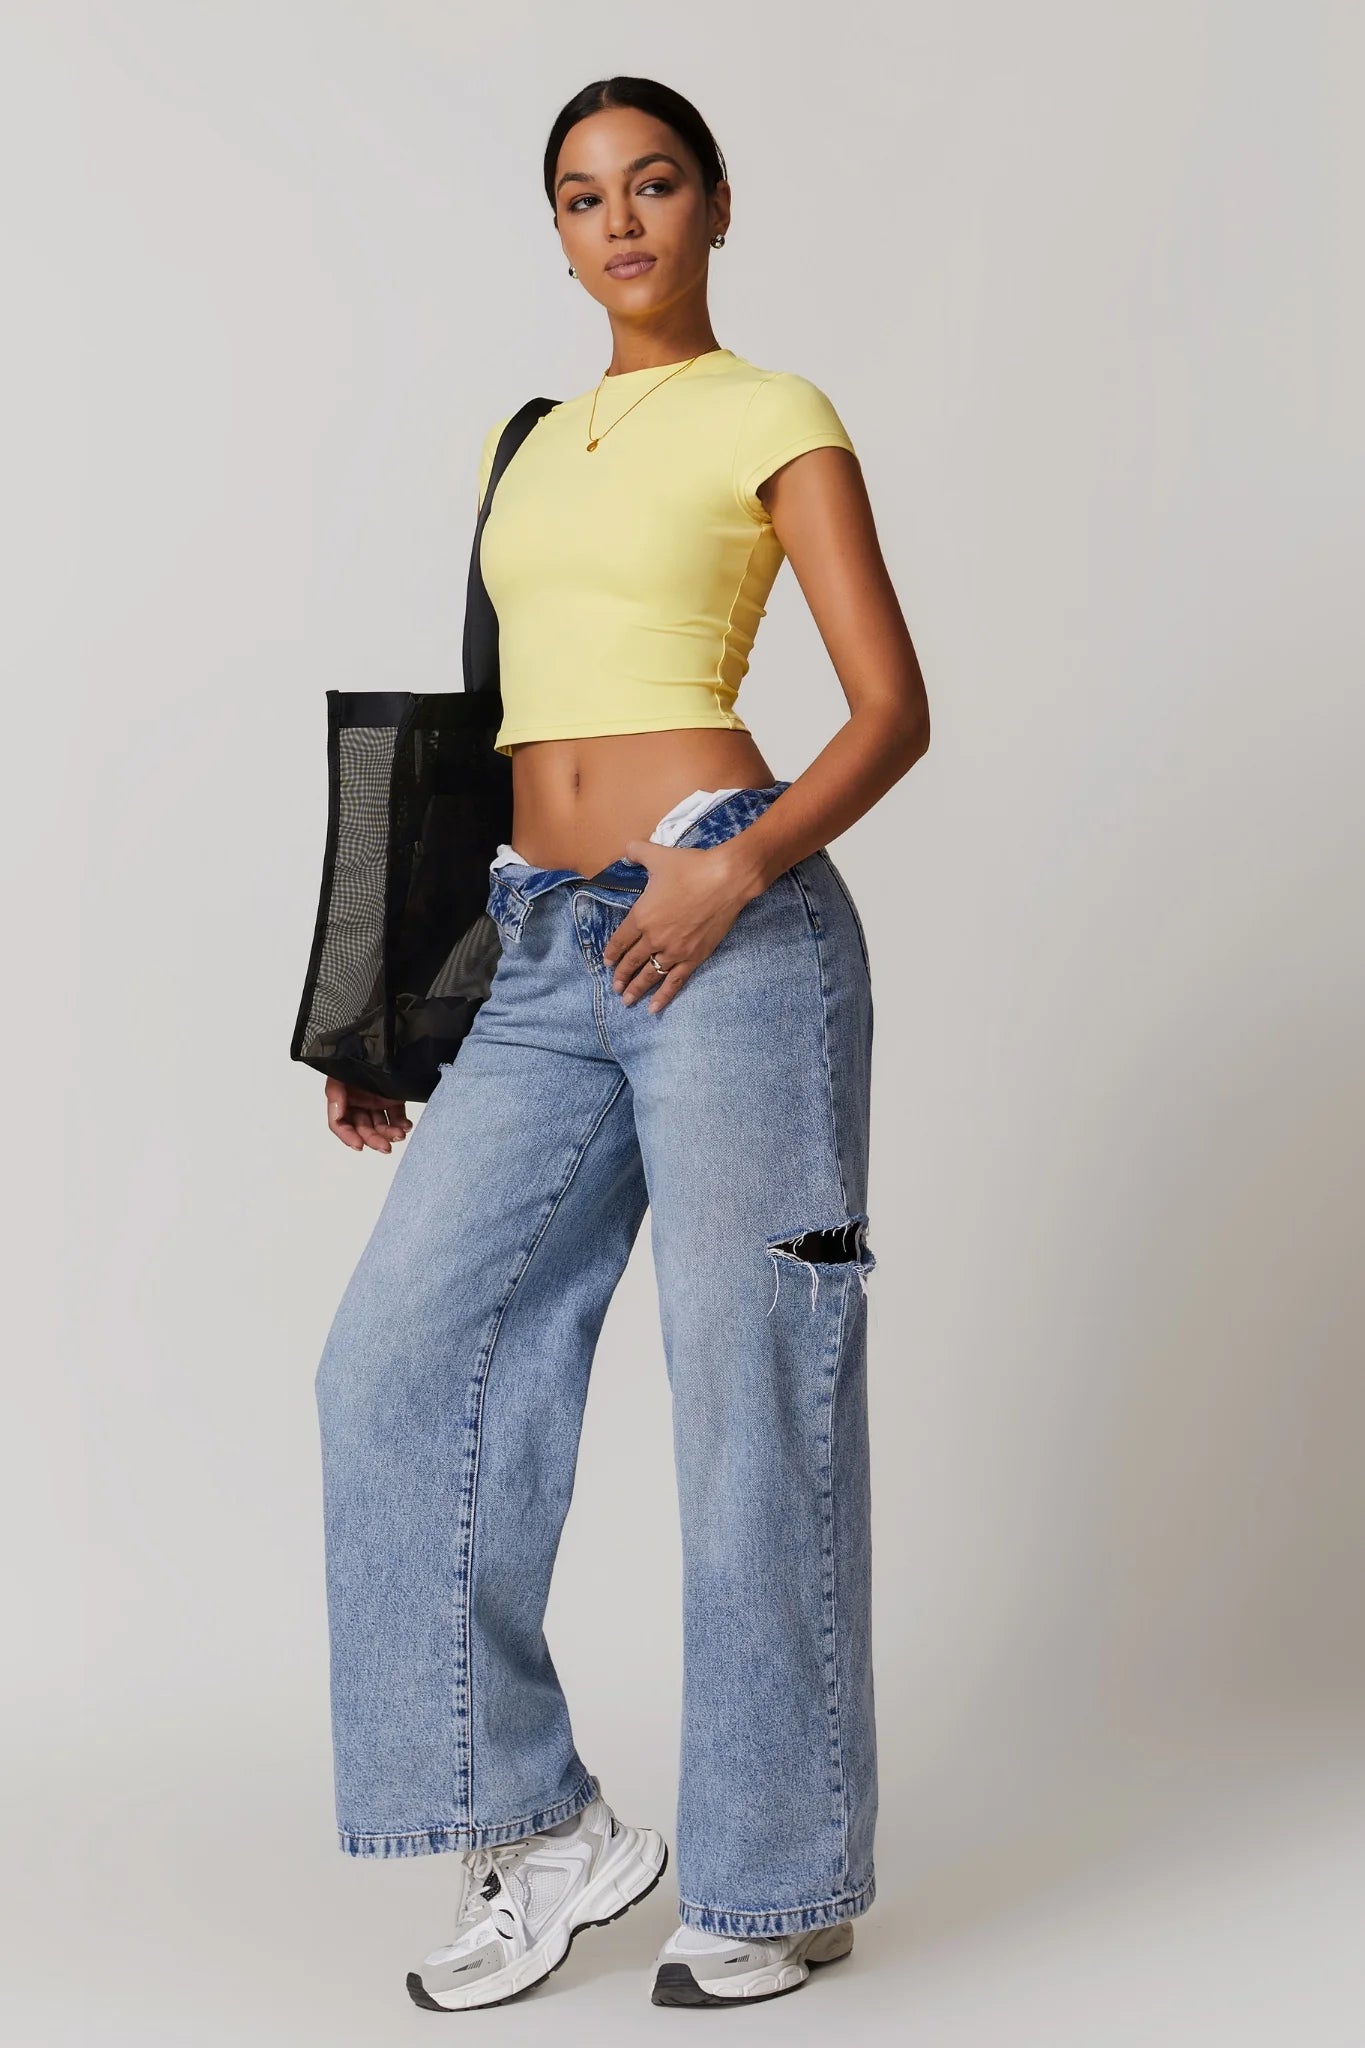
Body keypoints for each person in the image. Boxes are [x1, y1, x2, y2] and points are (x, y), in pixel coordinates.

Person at [312, 73, 930, 2013]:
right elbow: (491, 729)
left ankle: (777, 1877)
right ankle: (541, 1829)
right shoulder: (525, 443)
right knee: (392, 1364)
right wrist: (400, 1004)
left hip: (733, 939)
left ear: (714, 204)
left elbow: (889, 708)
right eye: (584, 197)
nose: (622, 221)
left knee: (755, 1395)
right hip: (541, 944)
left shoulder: (772, 412)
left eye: (654, 184)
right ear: (559, 234)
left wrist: (733, 868)